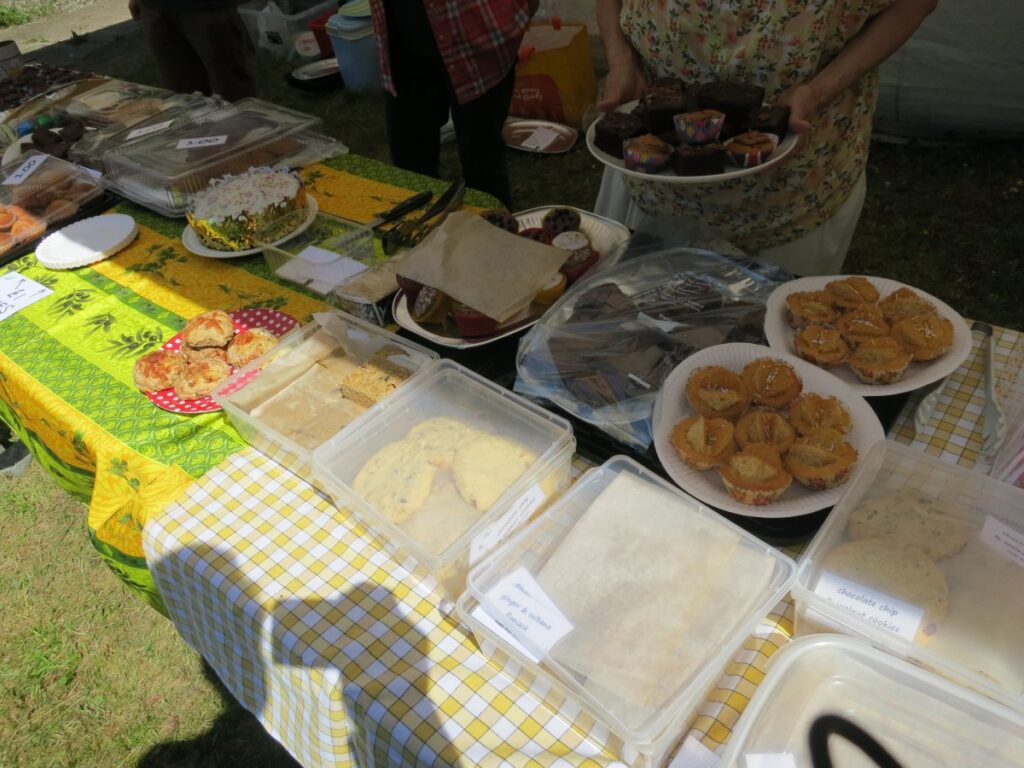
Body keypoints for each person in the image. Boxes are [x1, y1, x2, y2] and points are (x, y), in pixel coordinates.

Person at [594, 0, 938, 276]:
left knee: (764, 336)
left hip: (797, 182)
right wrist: (621, 61)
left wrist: (818, 93)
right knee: (643, 318)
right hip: (654, 170)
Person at [368, 0, 539, 208]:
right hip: (403, 52)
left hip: (476, 42)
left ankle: (496, 235)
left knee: (483, 168)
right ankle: (429, 236)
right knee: (411, 170)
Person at [128, 0, 256, 102]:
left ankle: (249, 132)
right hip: (155, 9)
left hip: (207, 9)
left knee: (231, 89)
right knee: (184, 97)